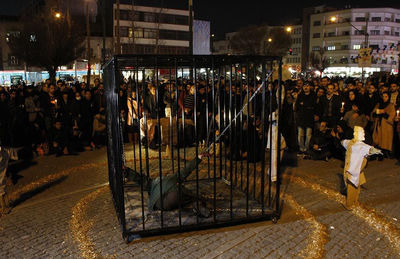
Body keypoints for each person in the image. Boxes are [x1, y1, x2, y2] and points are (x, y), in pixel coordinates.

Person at [124, 147, 212, 217]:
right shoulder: (169, 178)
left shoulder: (152, 183)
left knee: (185, 198)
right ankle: (198, 205)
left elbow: (138, 178)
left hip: (160, 203)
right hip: (171, 196)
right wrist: (199, 157)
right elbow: (187, 169)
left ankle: (196, 204)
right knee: (192, 197)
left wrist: (127, 171)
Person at [341, 126, 382, 210]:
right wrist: (378, 151)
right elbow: (371, 150)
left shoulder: (350, 143)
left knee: (355, 186)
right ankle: (350, 204)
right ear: (356, 134)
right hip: (353, 170)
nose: (363, 134)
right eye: (361, 132)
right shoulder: (360, 146)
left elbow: (343, 142)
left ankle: (354, 202)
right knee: (352, 188)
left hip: (355, 170)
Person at [371, 92, 396, 158]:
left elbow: (392, 117)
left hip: (386, 126)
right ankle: (380, 152)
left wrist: (384, 113)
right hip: (379, 125)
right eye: (383, 96)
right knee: (378, 139)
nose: (384, 98)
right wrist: (375, 113)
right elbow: (373, 114)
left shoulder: (391, 106)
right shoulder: (378, 105)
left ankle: (387, 152)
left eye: (386, 96)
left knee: (386, 140)